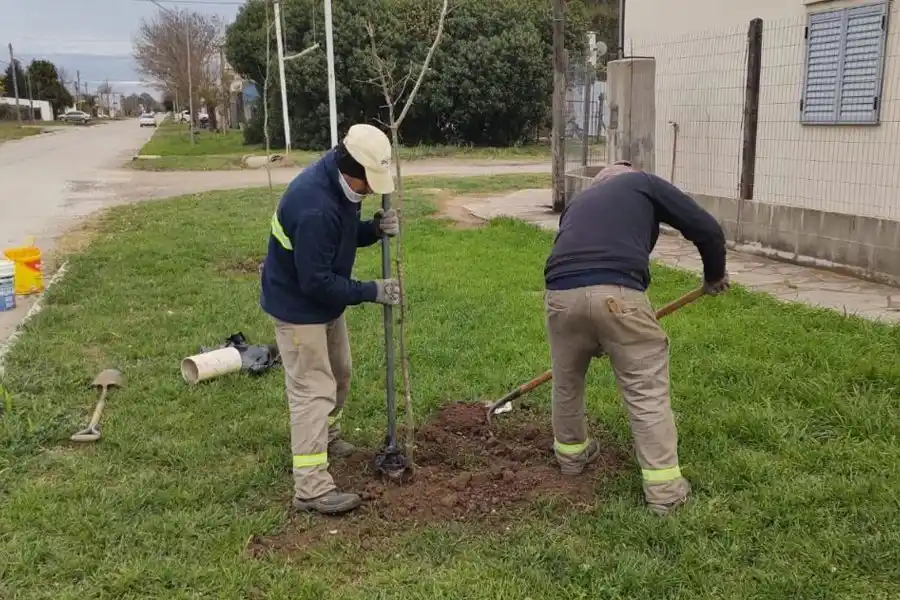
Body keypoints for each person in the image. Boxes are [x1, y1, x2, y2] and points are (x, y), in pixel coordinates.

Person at [543, 160, 729, 516]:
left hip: (559, 296)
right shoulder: (643, 183)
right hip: (618, 294)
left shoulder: (579, 201)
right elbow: (707, 229)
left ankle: (572, 458)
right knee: (646, 388)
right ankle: (665, 493)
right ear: (629, 174)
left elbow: (573, 252)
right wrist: (714, 275)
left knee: (566, 380)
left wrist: (594, 332)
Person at [261, 123, 401, 515]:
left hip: (323, 302)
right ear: (352, 169)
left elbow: (339, 235)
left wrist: (371, 230)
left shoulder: (340, 184)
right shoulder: (313, 205)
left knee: (340, 373)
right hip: (298, 306)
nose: (370, 191)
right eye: (368, 183)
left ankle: (327, 435)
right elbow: (316, 282)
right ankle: (311, 487)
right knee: (313, 390)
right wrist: (370, 290)